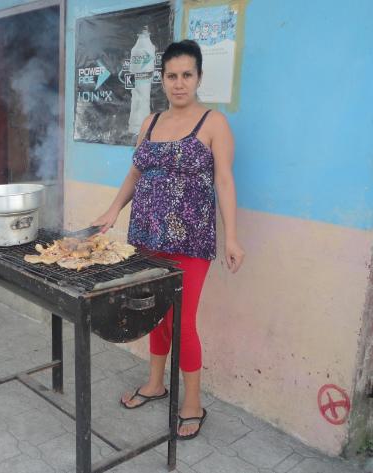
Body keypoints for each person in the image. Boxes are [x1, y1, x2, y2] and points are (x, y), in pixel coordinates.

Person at [92, 39, 244, 440]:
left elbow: (225, 182)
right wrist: (112, 210)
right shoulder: (150, 122)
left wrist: (232, 238)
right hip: (145, 235)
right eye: (172, 76)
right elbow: (135, 174)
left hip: (191, 241)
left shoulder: (213, 123)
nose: (179, 83)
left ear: (199, 78)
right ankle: (156, 383)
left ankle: (192, 402)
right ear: (162, 79)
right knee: (153, 312)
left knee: (182, 321)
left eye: (187, 75)